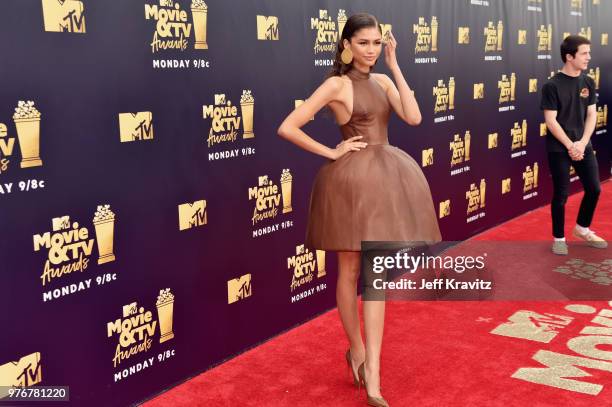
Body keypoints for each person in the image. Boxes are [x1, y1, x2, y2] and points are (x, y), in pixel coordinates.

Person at [277, 13, 441, 407]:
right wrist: (331, 150)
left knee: (375, 277)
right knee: (350, 269)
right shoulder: (336, 83)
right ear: (347, 44)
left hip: (385, 178)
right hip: (352, 184)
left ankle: (374, 379)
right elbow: (289, 126)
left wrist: (395, 66)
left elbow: (414, 117)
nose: (370, 50)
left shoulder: (384, 79)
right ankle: (357, 351)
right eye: (363, 43)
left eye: (376, 43)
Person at [541, 35, 607, 255]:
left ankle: (582, 228)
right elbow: (551, 121)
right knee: (561, 194)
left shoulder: (588, 81)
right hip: (560, 147)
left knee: (594, 189)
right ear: (570, 57)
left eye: (589, 52)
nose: (589, 57)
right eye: (584, 53)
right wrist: (571, 145)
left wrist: (582, 143)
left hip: (582, 143)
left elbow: (591, 115)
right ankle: (559, 239)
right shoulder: (551, 85)